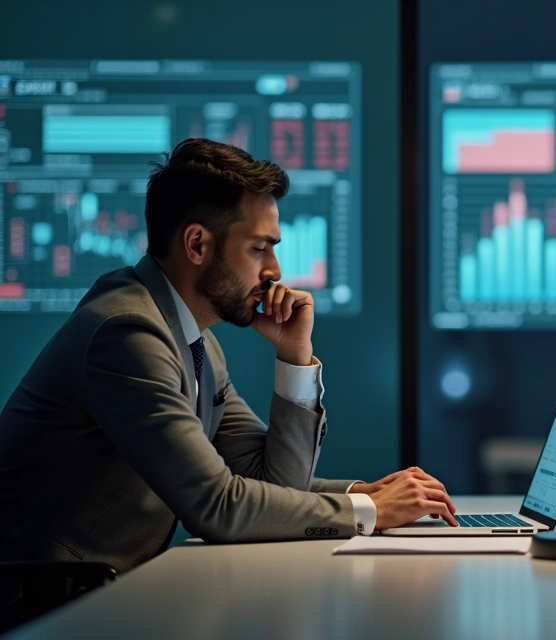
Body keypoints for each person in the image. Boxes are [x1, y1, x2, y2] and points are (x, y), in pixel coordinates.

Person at [0, 138, 457, 574]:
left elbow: (273, 486)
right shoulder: (127, 333)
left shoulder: (196, 342)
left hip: (99, 594)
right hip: (45, 606)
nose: (275, 271)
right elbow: (217, 506)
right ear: (197, 244)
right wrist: (369, 510)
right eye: (259, 248)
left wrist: (295, 358)